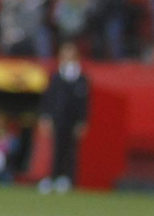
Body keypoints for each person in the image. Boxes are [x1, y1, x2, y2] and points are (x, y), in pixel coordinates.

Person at [38, 41, 89, 194]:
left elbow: (84, 102)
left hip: (72, 119)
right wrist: (45, 116)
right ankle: (53, 177)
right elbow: (49, 99)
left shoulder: (81, 78)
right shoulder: (56, 76)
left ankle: (67, 179)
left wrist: (82, 120)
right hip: (57, 118)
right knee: (57, 149)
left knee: (71, 150)